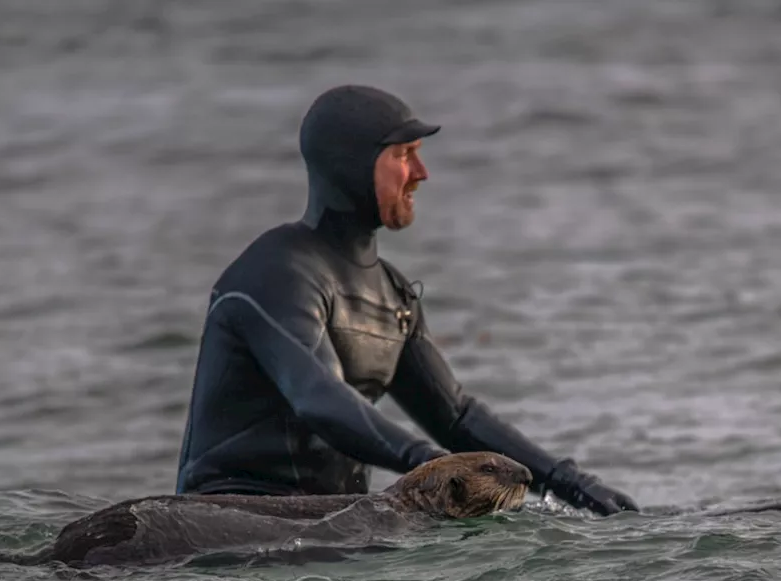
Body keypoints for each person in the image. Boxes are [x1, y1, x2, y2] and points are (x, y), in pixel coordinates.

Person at [174, 84, 638, 516]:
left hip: (327, 524)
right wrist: (430, 465)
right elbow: (316, 396)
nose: (421, 173)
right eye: (404, 155)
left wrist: (570, 483)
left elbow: (454, 416)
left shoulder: (390, 292)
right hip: (233, 520)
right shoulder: (275, 272)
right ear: (349, 164)